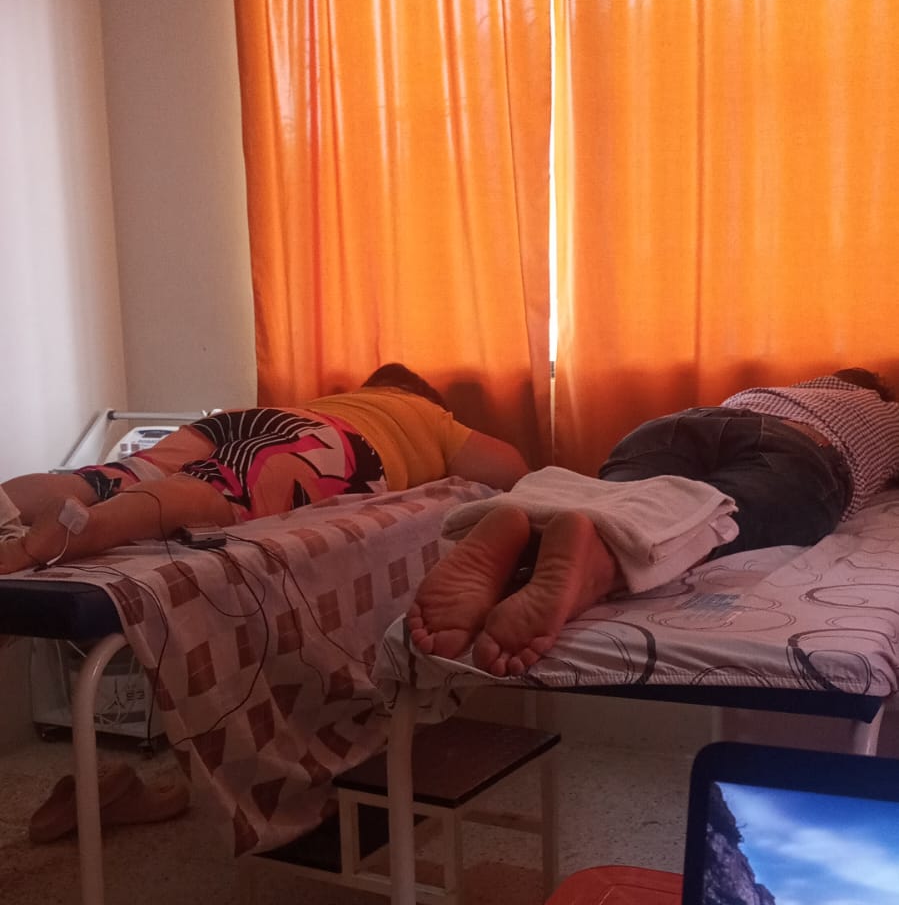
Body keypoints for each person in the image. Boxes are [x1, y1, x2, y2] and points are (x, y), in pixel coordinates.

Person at [408, 368, 899, 677]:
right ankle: (602, 566)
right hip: (800, 445)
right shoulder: (884, 412)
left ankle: (524, 533)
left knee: (619, 500)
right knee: (723, 511)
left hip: (676, 425)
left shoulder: (774, 391)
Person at [0, 364, 529, 574]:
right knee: (210, 489)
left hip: (252, 418)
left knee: (111, 474)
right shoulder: (427, 416)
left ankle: (23, 505)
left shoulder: (336, 399)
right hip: (331, 445)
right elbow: (510, 468)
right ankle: (83, 530)